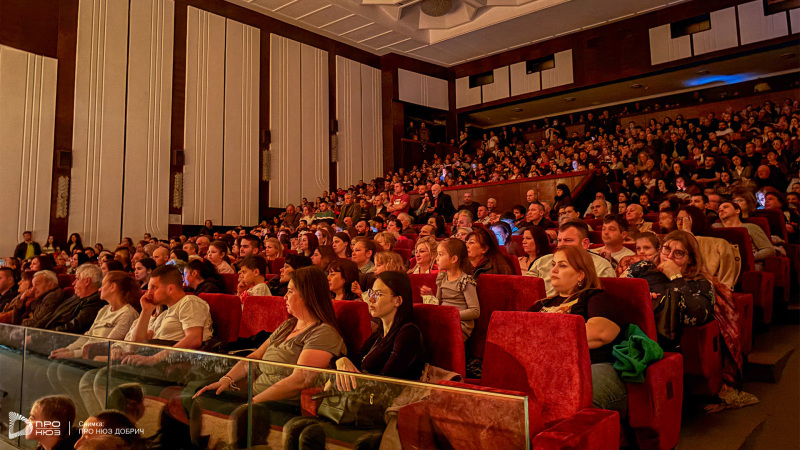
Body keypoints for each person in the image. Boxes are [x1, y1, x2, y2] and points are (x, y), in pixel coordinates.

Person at [190, 266, 345, 447]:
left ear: (308, 295)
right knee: (201, 398)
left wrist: (253, 401)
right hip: (256, 396)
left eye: (290, 291)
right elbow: (255, 357)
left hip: (283, 404)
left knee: (238, 416)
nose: (284, 297)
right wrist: (227, 379)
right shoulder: (288, 325)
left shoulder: (323, 332)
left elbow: (299, 380)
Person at [285, 271, 427, 448]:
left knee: (307, 433)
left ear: (397, 300)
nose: (371, 299)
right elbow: (354, 360)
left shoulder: (408, 333)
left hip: (382, 411)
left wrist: (352, 372)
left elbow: (387, 382)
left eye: (378, 294)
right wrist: (341, 361)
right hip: (360, 403)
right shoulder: (379, 335)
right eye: (371, 293)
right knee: (294, 427)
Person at [79, 265, 214, 416]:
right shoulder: (164, 314)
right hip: (152, 359)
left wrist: (155, 358)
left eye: (153, 287)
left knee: (101, 378)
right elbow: (137, 343)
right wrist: (146, 311)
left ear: (170, 288)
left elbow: (194, 339)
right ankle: (104, 425)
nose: (148, 292)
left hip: (173, 365)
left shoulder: (190, 302)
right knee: (88, 378)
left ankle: (114, 426)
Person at [528, 245, 628, 416]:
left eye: (562, 265)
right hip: (549, 368)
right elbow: (520, 336)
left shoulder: (596, 297)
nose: (554, 270)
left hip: (593, 366)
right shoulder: (541, 305)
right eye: (553, 264)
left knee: (568, 394)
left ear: (580, 274)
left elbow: (600, 334)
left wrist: (543, 336)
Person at [627, 231, 715, 348]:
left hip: (663, 344)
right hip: (630, 332)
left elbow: (697, 317)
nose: (669, 256)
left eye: (679, 253)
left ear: (690, 259)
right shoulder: (643, 268)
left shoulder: (700, 283)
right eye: (667, 249)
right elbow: (618, 291)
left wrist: (676, 277)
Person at [526, 221, 615, 297]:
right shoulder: (541, 261)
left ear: (585, 243)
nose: (561, 245)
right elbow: (526, 291)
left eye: (568, 240)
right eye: (559, 240)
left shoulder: (602, 266)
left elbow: (603, 300)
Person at [420, 238, 479, 340]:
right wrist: (430, 296)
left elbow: (475, 311)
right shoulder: (442, 278)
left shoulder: (465, 281)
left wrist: (451, 315)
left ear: (454, 259)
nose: (437, 258)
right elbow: (439, 303)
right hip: (444, 319)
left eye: (440, 254)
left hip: (459, 323)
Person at [28, 264, 104, 333]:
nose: (73, 283)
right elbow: (51, 316)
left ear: (87, 281)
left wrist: (39, 336)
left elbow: (72, 327)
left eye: (77, 279)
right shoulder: (75, 297)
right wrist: (34, 331)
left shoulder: (94, 302)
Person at [713, 200, 776, 266]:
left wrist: (748, 257)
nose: (721, 210)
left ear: (737, 211)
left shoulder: (751, 227)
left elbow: (769, 250)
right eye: (719, 210)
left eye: (725, 207)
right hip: (722, 264)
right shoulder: (715, 228)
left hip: (748, 265)